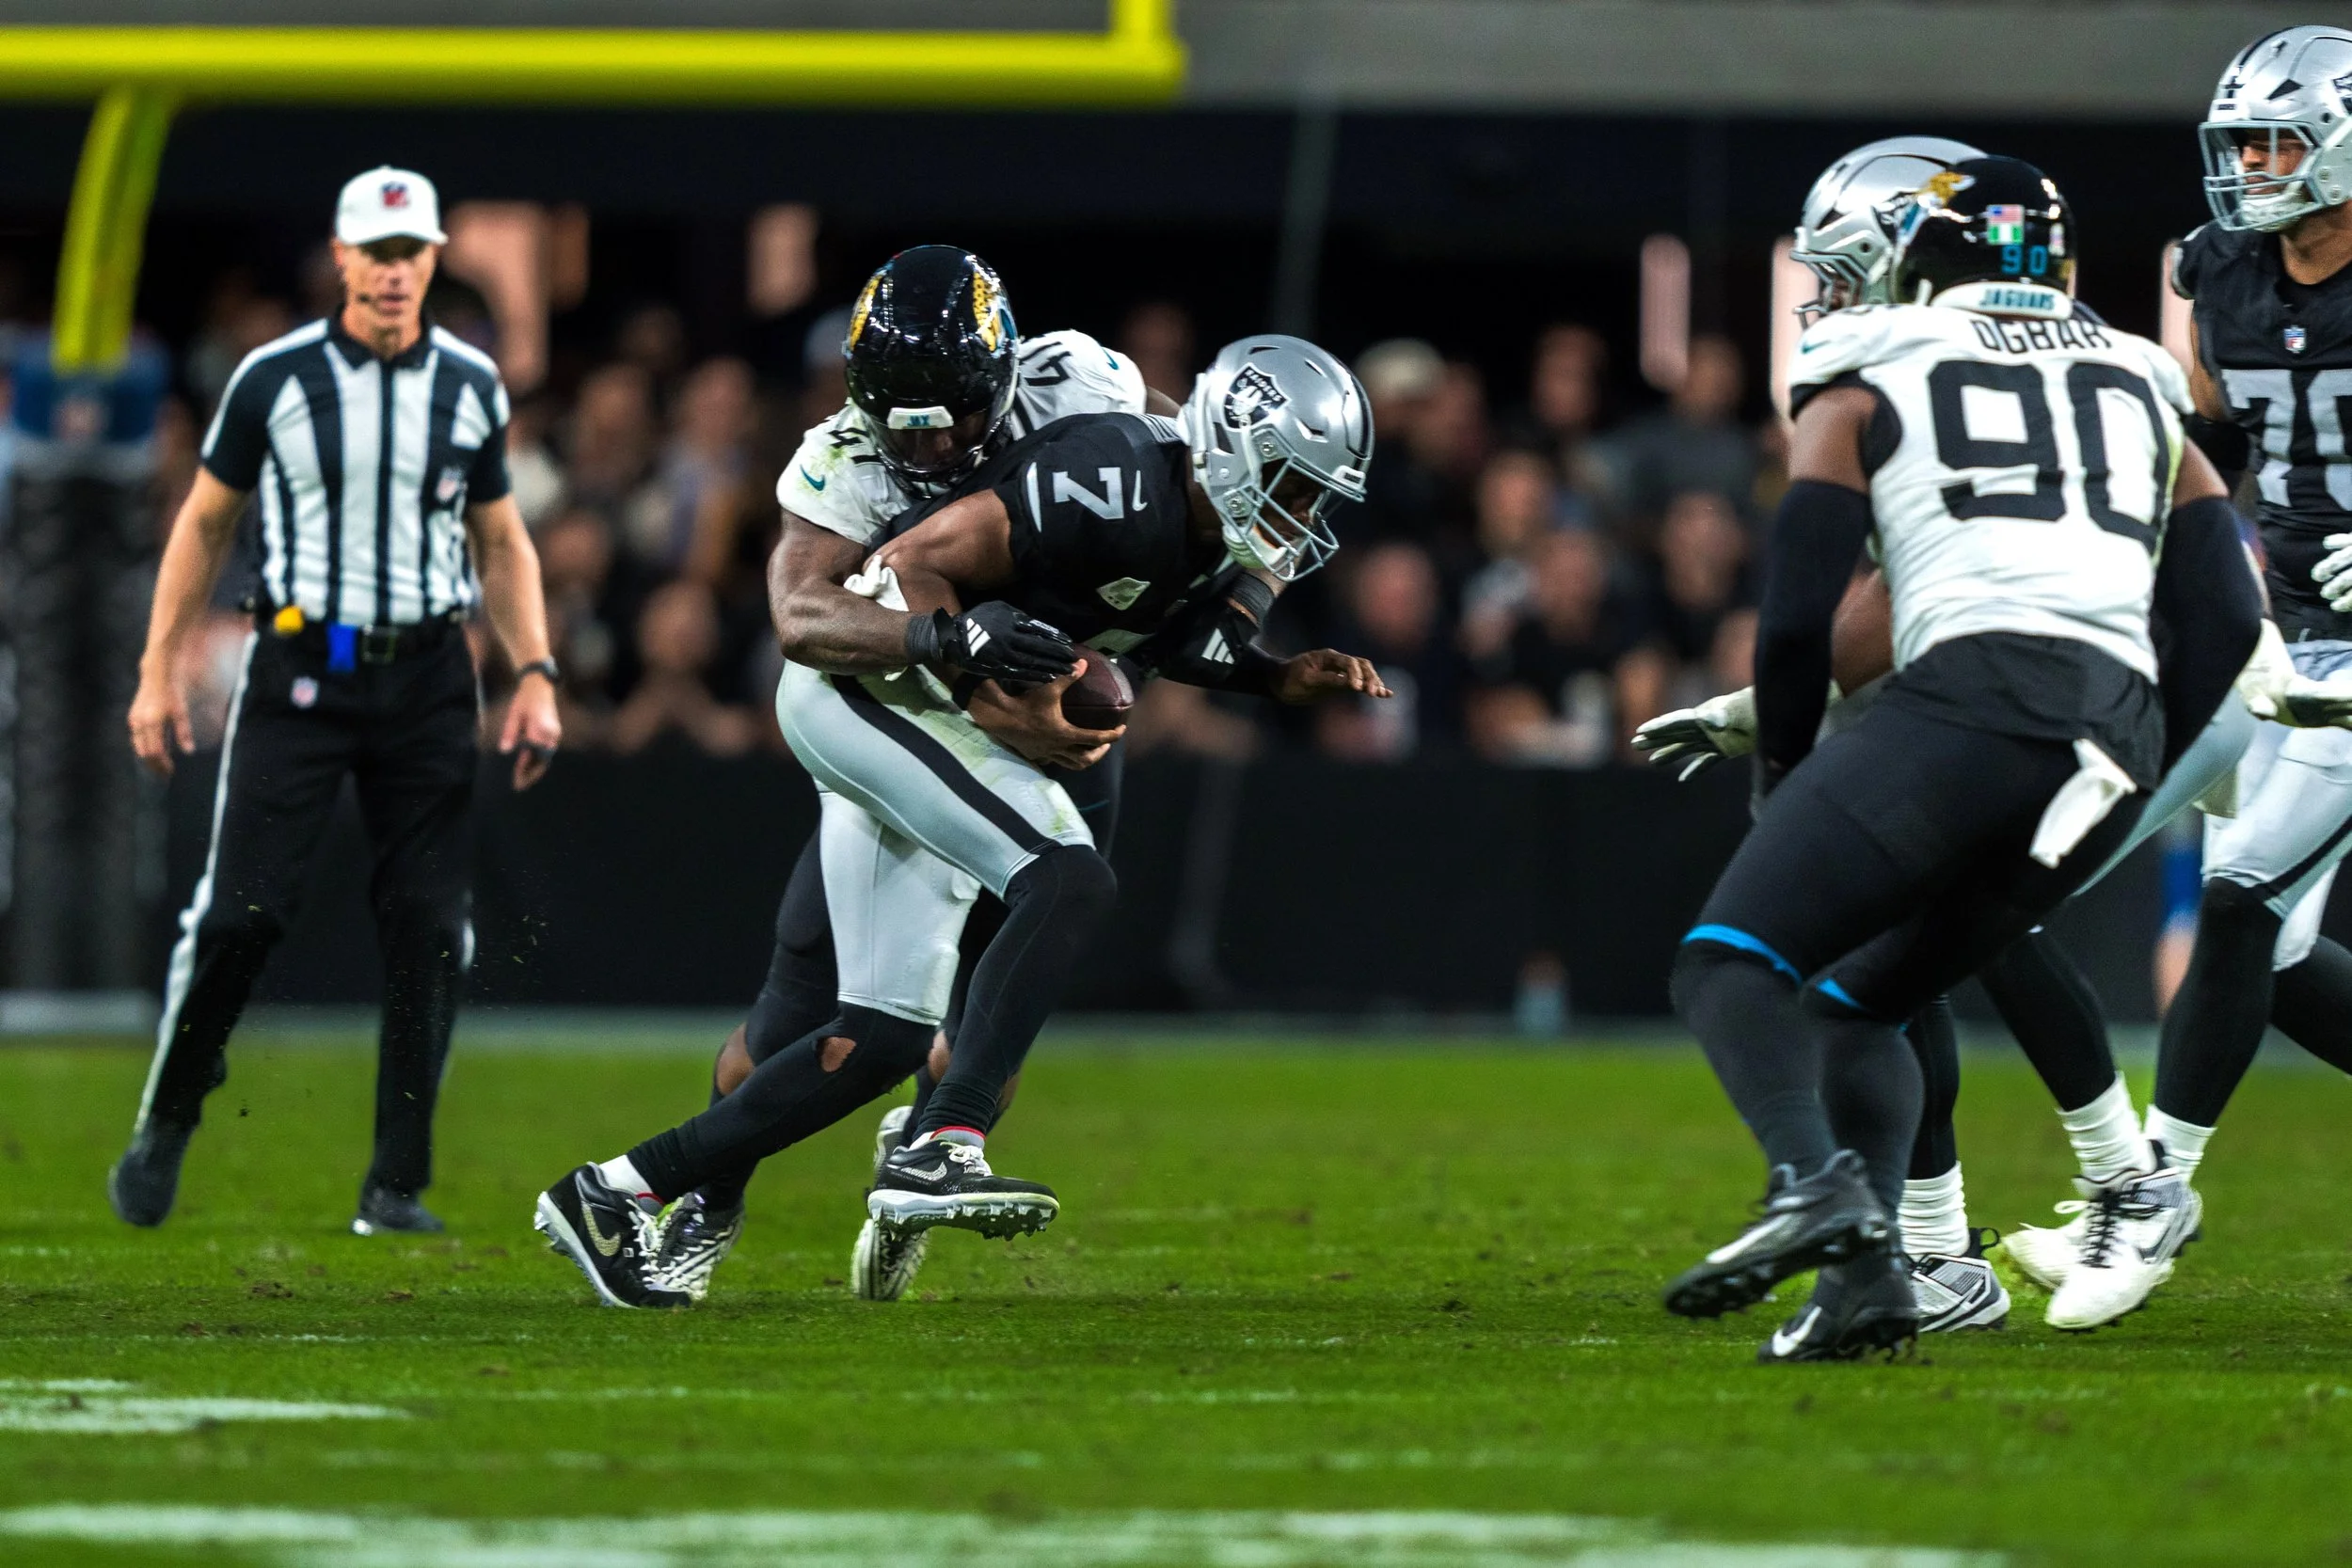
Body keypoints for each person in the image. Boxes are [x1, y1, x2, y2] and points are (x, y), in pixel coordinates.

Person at [530, 336, 1388, 1308]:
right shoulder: (1102, 479)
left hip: (935, 708)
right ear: (1232, 446)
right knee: (1062, 879)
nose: (1303, 514)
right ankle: (939, 1143)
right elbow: (904, 567)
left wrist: (1272, 675)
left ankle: (611, 1190)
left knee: (889, 1035)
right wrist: (976, 667)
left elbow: (1163, 630)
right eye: (1295, 485)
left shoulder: (1160, 478)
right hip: (882, 688)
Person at [1660, 157, 2263, 1361]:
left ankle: (1809, 1186)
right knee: (1860, 1000)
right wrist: (2140, 751)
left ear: (1918, 259)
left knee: (1728, 963)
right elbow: (2227, 612)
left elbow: (1797, 611)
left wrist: (1780, 775)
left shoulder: (1866, 362)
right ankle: (1881, 1279)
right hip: (2112, 732)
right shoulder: (2136, 370)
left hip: (1972, 699)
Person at [642, 246, 1168, 1309]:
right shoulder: (840, 456)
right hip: (919, 746)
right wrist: (944, 637)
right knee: (789, 1020)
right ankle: (708, 1196)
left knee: (994, 1014)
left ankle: (926, 1156)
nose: (928, 446)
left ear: (1003, 374)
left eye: (950, 419)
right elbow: (800, 615)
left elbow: (1187, 477)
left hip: (1052, 740)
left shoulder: (1083, 385)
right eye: (904, 422)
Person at [113, 166, 563, 1234]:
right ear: (343, 257)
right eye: (378, 251)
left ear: (434, 259)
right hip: (300, 669)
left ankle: (395, 1182)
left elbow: (500, 538)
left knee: (429, 925)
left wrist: (536, 671)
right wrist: (156, 669)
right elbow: (203, 521)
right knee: (239, 913)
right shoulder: (273, 377)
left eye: (412, 252)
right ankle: (170, 1112)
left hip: (427, 674)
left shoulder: (471, 384)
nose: (395, 271)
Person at [2073, 25, 2352, 1326]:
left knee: (2239, 901)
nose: (2250, 168)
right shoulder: (2219, 267)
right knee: (2269, 951)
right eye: (2241, 144)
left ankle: (2149, 1192)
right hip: (2277, 637)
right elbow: (2205, 436)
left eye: (2277, 143)